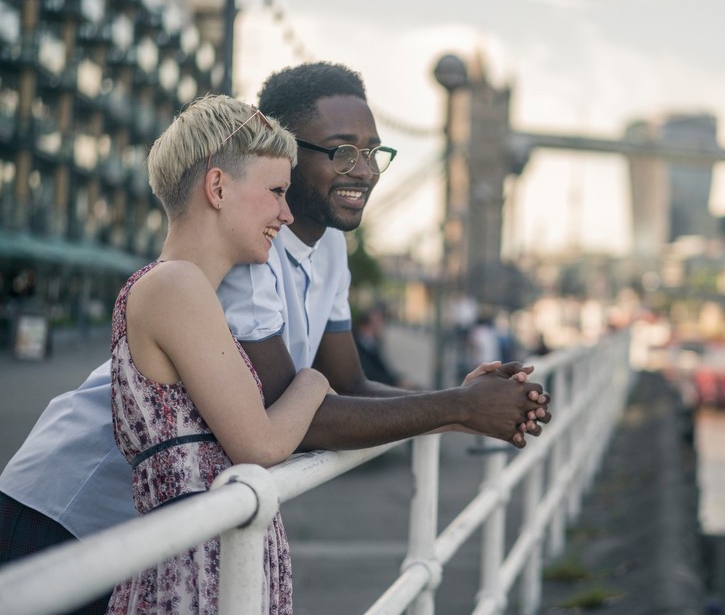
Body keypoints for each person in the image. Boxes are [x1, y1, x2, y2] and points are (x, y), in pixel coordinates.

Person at [0, 61, 548, 613]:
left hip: (165, 527)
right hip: (76, 501)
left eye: (372, 151)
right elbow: (284, 420)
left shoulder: (327, 247)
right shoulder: (240, 255)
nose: (364, 170)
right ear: (287, 148)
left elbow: (350, 383)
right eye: (340, 150)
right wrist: (457, 406)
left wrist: (468, 407)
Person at [105, 95, 329, 612]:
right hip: (192, 574)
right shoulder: (176, 286)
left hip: (207, 561)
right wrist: (313, 382)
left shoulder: (183, 291)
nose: (287, 213)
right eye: (276, 191)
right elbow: (260, 443)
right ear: (218, 186)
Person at [352, 305, 419, 389]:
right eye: (379, 321)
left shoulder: (370, 342)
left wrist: (399, 379)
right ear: (369, 323)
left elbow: (383, 368)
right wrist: (397, 382)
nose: (382, 326)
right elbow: (371, 374)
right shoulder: (357, 343)